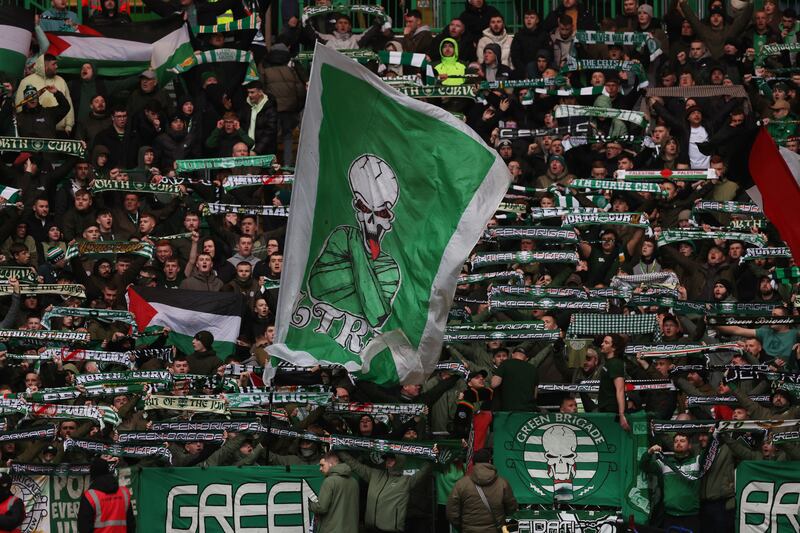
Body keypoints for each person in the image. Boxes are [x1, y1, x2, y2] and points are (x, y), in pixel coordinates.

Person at [446, 448, 517, 533]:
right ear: (490, 461)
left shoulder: (461, 484)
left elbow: (452, 513)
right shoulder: (502, 484)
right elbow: (511, 508)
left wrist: (463, 527)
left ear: (473, 463)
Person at [641, 433, 702, 531]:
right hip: (670, 516)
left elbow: (710, 453)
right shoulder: (665, 463)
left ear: (690, 445)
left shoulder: (697, 461)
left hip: (691, 516)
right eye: (676, 441)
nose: (678, 443)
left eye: (682, 441)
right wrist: (650, 452)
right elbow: (644, 465)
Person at [77, 457, 135, 532]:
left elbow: (83, 528)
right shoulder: (124, 493)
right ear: (107, 471)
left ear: (93, 474)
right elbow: (131, 524)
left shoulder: (90, 497)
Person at [308, 452, 360, 533]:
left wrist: (308, 504)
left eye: (322, 465)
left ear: (330, 464)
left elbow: (322, 508)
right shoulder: (354, 481)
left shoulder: (329, 481)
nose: (320, 469)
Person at [597, 334, 630, 431]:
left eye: (606, 343)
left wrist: (621, 414)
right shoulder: (608, 362)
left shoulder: (615, 364)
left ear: (614, 347)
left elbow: (620, 390)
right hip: (605, 409)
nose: (602, 344)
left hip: (612, 412)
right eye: (603, 342)